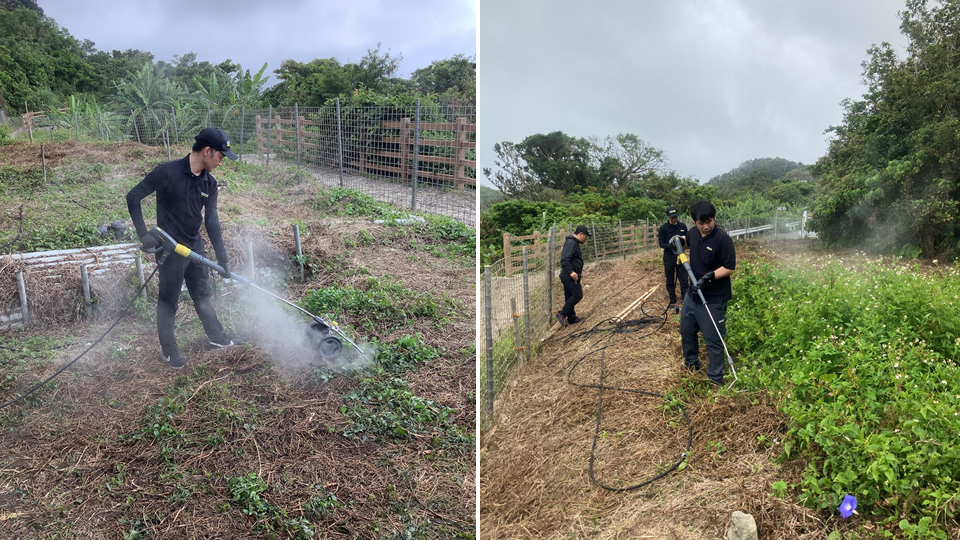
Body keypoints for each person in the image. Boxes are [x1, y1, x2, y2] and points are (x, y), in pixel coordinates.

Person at [126, 127, 243, 369]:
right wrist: (143, 234)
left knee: (202, 295)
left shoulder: (209, 183)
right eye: (220, 157)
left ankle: (218, 339)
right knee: (169, 301)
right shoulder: (167, 172)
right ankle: (169, 352)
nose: (221, 162)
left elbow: (211, 221)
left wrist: (223, 258)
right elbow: (133, 196)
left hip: (195, 247)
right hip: (170, 249)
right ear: (207, 151)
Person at [680, 200, 736, 385]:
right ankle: (691, 363)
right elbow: (688, 244)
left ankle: (715, 377)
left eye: (708, 222)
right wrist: (678, 242)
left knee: (713, 339)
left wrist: (708, 277)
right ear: (694, 222)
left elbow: (729, 267)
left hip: (712, 298)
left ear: (714, 218)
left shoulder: (722, 239)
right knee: (687, 331)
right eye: (700, 223)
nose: (705, 227)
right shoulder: (694, 232)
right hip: (692, 294)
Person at [556, 225, 590, 327]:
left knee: (569, 296)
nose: (586, 238)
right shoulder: (571, 243)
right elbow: (565, 259)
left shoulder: (573, 242)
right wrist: (571, 272)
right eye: (586, 236)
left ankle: (571, 317)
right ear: (581, 234)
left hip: (569, 275)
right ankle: (562, 314)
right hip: (569, 275)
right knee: (577, 294)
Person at [657, 205, 689, 313]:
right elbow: (661, 243)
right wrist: (669, 246)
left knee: (684, 279)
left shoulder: (682, 226)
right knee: (670, 279)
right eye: (672, 217)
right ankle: (672, 300)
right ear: (667, 217)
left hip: (681, 256)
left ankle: (686, 299)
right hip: (669, 257)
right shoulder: (663, 229)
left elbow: (687, 240)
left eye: (675, 217)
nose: (674, 219)